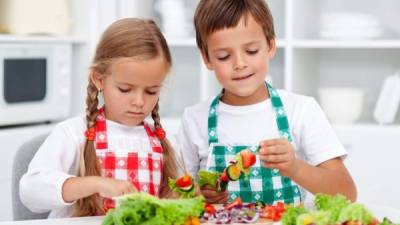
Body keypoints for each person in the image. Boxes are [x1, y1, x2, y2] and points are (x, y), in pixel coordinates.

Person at [176, 0, 357, 205]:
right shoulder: (194, 119)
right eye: (224, 56)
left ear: (270, 46)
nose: (240, 64)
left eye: (251, 51)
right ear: (207, 59)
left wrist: (296, 168)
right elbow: (178, 195)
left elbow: (347, 192)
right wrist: (200, 195)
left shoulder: (300, 110)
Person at [20, 18, 179, 218]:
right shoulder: (73, 133)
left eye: (151, 91)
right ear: (99, 79)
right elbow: (30, 191)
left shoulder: (164, 140)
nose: (139, 101)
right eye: (125, 89)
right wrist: (94, 184)